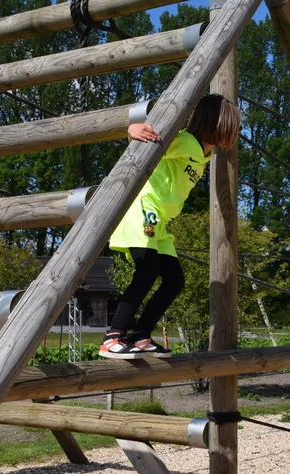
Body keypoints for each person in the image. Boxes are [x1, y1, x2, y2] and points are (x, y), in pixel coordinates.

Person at [99, 94, 241, 359]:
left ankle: (141, 335)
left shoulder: (205, 154)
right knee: (147, 271)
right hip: (144, 209)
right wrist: (132, 130)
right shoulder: (185, 141)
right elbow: (149, 143)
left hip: (161, 221)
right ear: (217, 123)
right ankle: (113, 337)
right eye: (233, 126)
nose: (235, 133)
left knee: (174, 281)